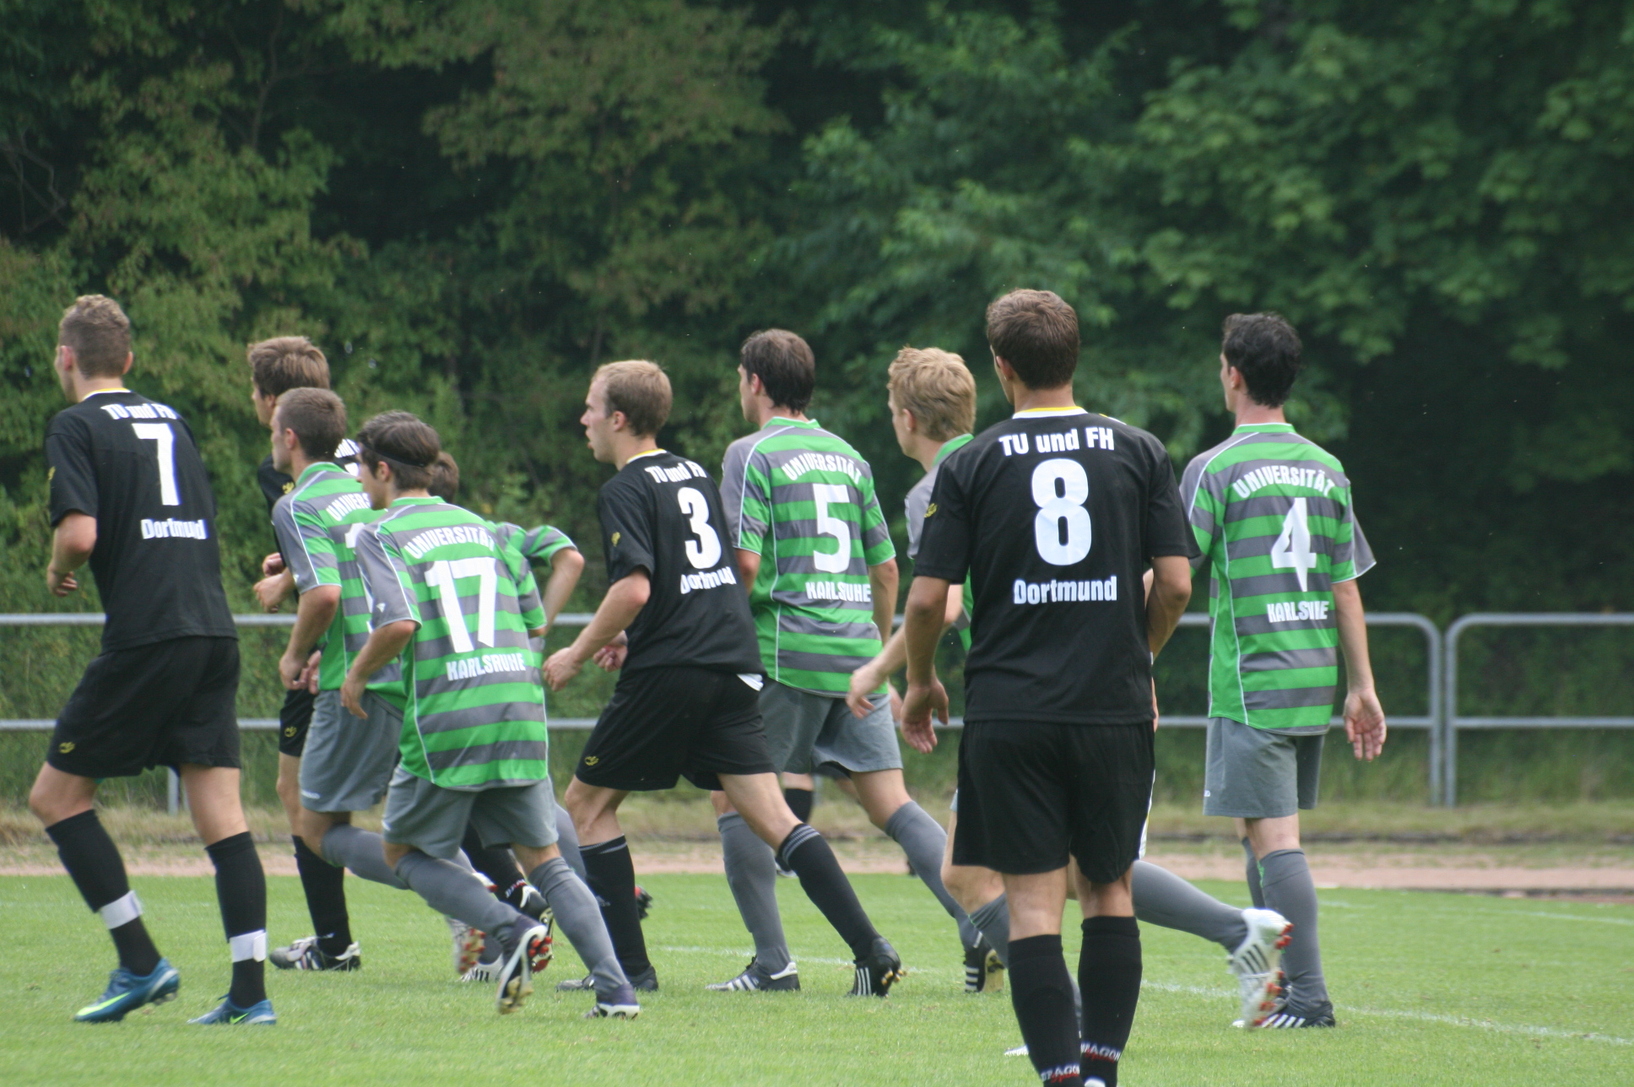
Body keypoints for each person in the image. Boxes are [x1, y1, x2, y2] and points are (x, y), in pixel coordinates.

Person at [856, 346, 1295, 1023]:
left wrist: (889, 672)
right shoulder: (1076, 449)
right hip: (1100, 688)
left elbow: (939, 603)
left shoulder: (951, 479)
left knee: (975, 873)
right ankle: (1234, 934)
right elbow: (1157, 582)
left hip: (1025, 701)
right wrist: (1135, 660)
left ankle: (1071, 1014)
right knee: (1083, 870)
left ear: (906, 418)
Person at [901, 289, 1194, 1087]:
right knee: (1109, 890)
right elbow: (1174, 583)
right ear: (1074, 355)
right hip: (1111, 707)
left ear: (1002, 368)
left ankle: (1061, 1078)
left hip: (1011, 711)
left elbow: (926, 601)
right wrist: (1137, 656)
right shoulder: (1139, 451)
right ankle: (1102, 1072)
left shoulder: (970, 462)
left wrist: (921, 681)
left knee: (1032, 905)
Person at [545, 360, 902, 997]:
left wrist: (575, 652)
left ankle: (629, 971)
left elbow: (634, 589)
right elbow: (703, 577)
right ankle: (871, 950)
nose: (583, 420)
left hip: (673, 670)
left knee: (586, 805)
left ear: (618, 419)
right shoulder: (693, 473)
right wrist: (633, 634)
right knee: (774, 817)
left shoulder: (624, 489)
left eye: (591, 408)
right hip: (734, 662)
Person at [340, 410, 638, 1018]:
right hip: (518, 710)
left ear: (383, 470)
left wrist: (357, 673)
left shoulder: (379, 533)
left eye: (362, 469)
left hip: (450, 718)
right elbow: (536, 616)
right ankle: (617, 991)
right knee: (546, 861)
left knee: (403, 855)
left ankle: (510, 927)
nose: (360, 482)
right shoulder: (486, 529)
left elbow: (398, 624)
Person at [705, 330, 974, 993]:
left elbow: (745, 564)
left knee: (737, 794)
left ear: (755, 383)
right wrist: (874, 657)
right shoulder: (849, 456)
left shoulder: (750, 452)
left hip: (784, 652)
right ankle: (979, 923)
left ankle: (773, 962)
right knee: (893, 805)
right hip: (855, 651)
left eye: (741, 377)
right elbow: (886, 569)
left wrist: (714, 641)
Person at [29, 295, 272, 1025]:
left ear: (66, 357)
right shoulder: (173, 419)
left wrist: (56, 567)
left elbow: (78, 533)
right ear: (128, 361)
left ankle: (140, 961)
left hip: (149, 634)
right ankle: (250, 996)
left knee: (56, 799)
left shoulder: (74, 424)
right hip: (211, 630)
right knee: (224, 818)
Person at [1178, 313, 1387, 1030]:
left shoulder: (1216, 468)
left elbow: (1174, 574)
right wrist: (1361, 686)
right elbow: (1344, 586)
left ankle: (1308, 997)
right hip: (1311, 679)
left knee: (1276, 841)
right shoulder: (1326, 467)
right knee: (1256, 832)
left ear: (1233, 374)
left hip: (1252, 681)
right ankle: (1272, 986)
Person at [264, 387, 402, 972]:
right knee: (431, 802)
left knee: (312, 823)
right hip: (405, 663)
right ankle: (334, 944)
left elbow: (324, 593)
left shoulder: (297, 503)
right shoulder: (364, 492)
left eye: (274, 429)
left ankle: (474, 893)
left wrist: (296, 655)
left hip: (353, 675)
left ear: (290, 437)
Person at [243, 337, 363, 971]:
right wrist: (290, 572)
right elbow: (355, 536)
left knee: (300, 793)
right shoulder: (361, 454)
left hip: (338, 644)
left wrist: (290, 591)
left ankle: (488, 900)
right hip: (382, 632)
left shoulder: (286, 473)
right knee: (427, 780)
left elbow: (330, 564)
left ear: (274, 405)